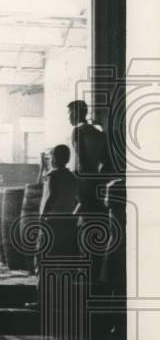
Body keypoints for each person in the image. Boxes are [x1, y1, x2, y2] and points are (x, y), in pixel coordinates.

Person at [67, 99, 111, 283]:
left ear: (77, 113)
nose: (69, 117)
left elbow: (82, 161)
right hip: (97, 183)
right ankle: (93, 272)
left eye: (70, 113)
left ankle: (83, 272)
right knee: (96, 227)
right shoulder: (98, 133)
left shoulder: (77, 131)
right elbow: (105, 160)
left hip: (84, 183)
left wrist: (79, 186)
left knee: (80, 226)